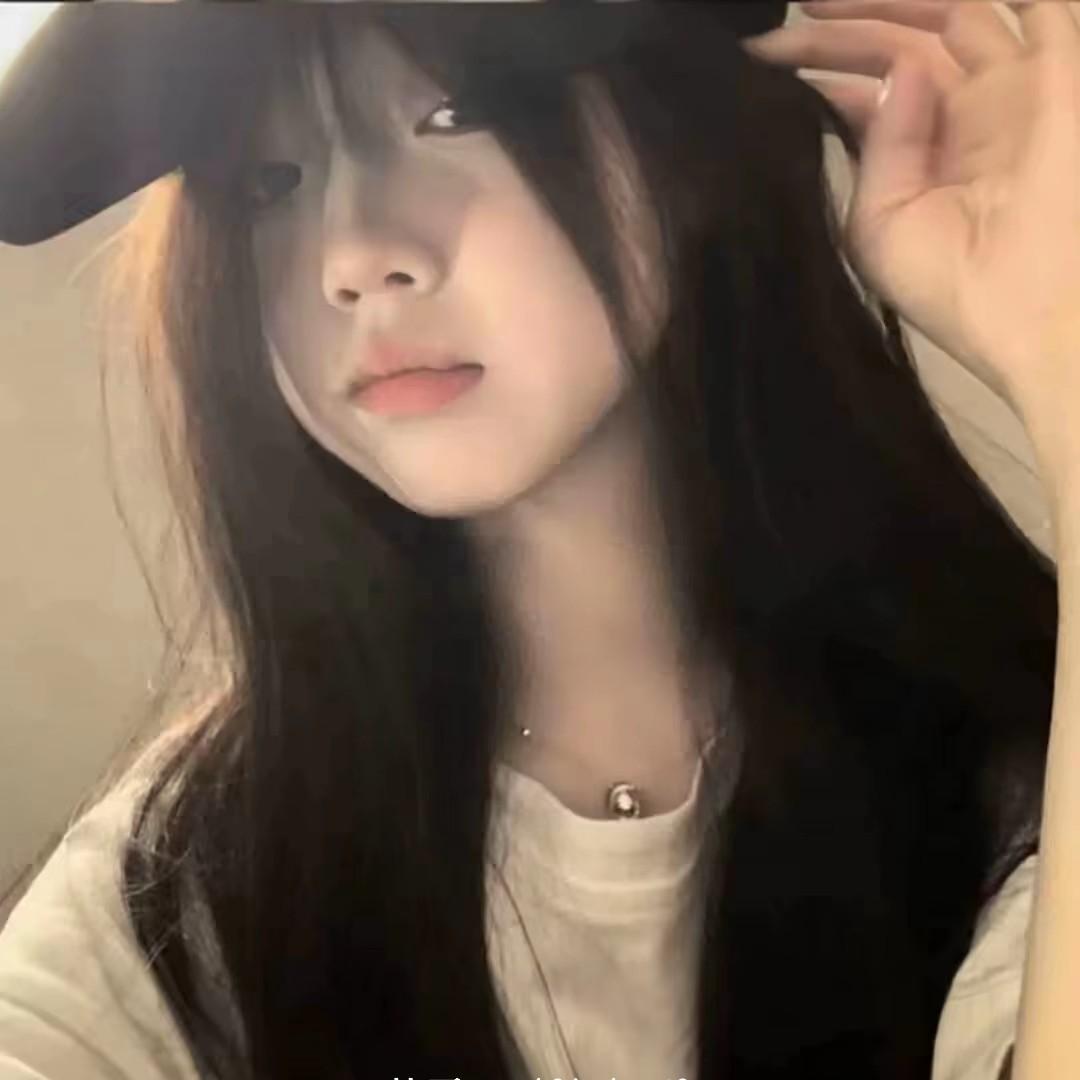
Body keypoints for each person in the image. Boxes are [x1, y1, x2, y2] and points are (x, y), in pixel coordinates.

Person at [0, 2, 1076, 1078]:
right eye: (268, 181)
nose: (352, 256)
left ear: (690, 144)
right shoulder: (186, 889)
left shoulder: (1013, 778)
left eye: (454, 114)